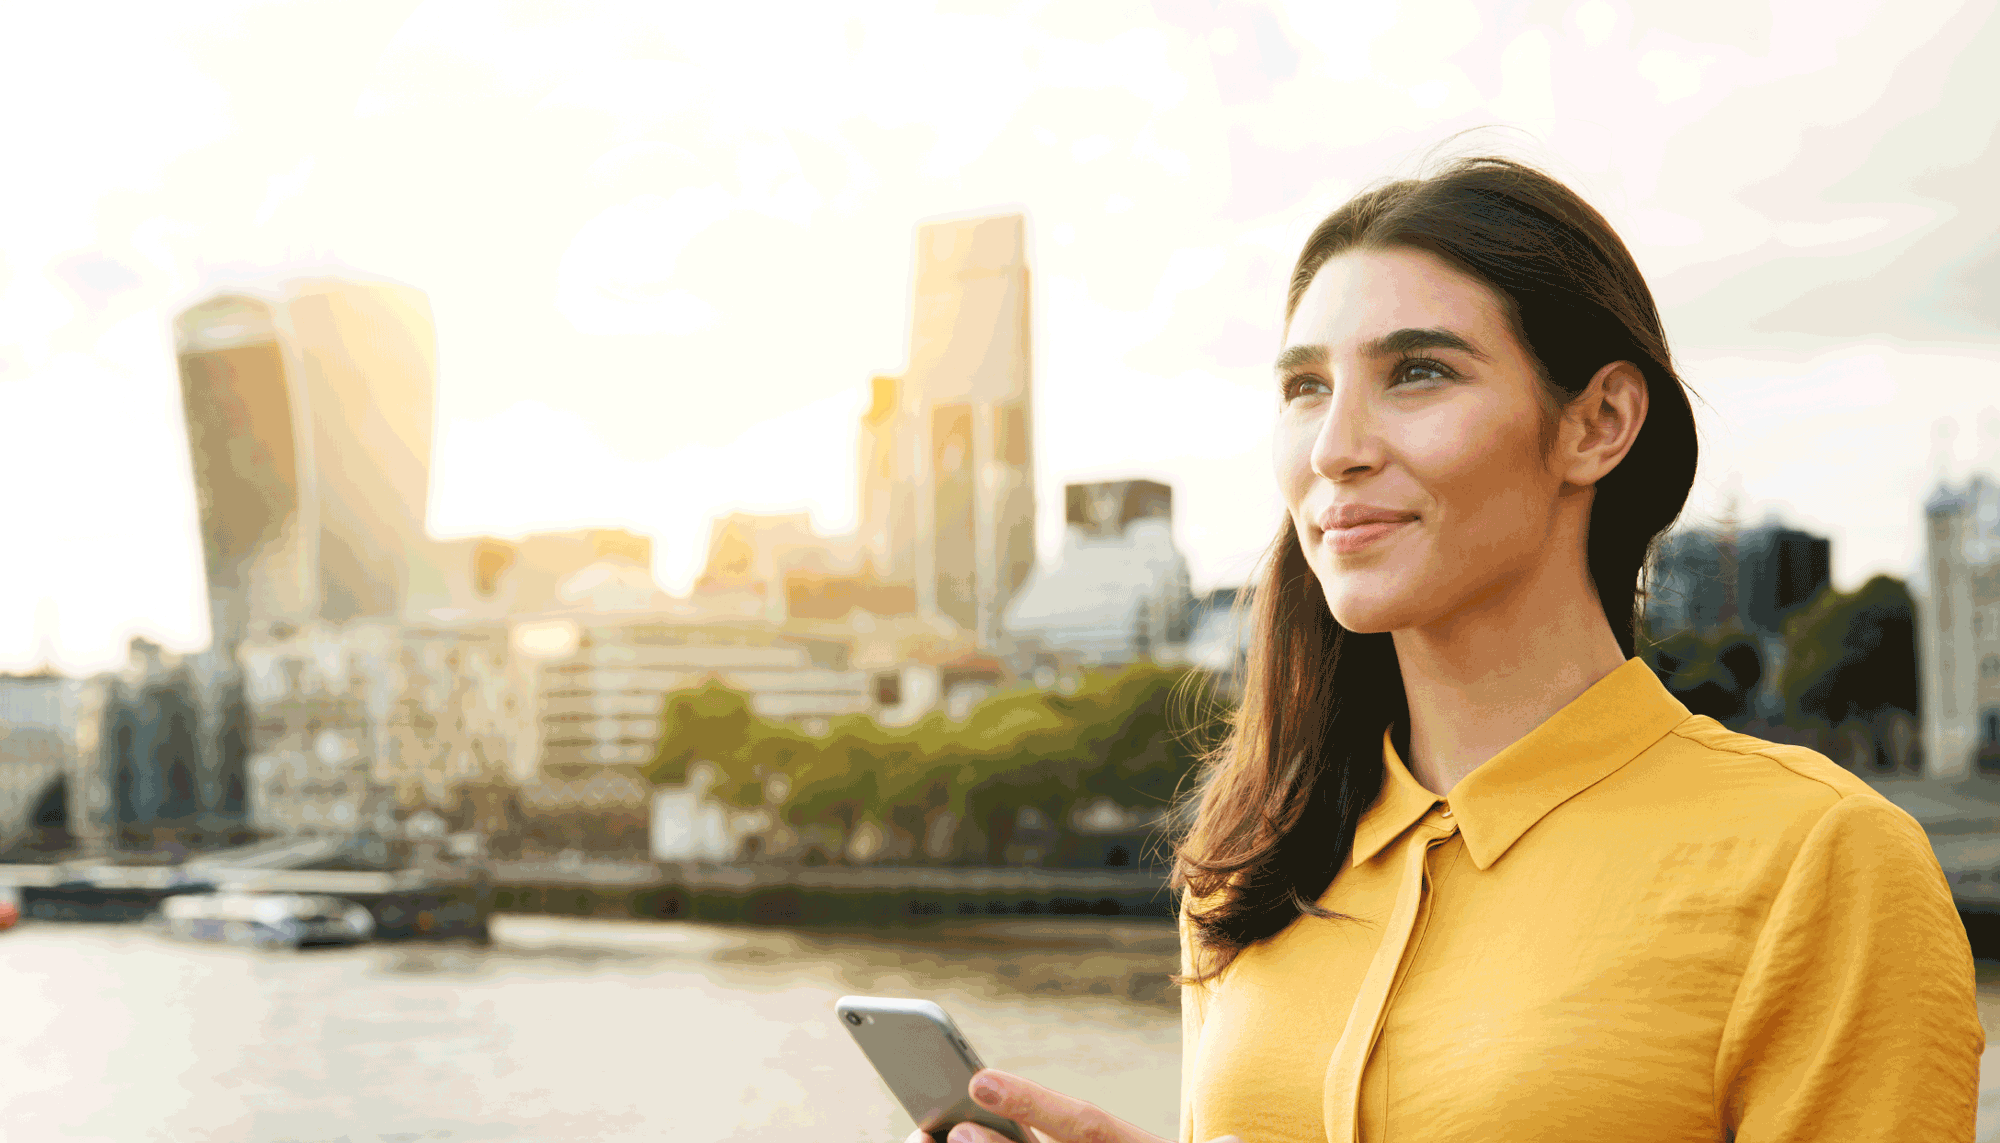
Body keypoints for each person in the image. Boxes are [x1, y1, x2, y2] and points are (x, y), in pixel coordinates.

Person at [913, 155, 1984, 1143]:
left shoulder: (1818, 863)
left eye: (1417, 372)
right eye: (1304, 388)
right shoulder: (1252, 864)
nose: (1335, 448)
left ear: (1597, 422)